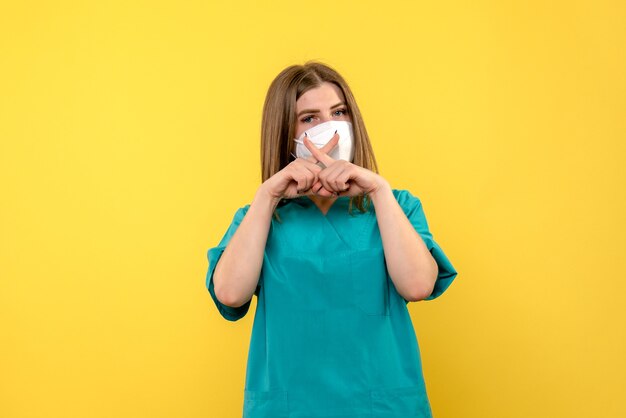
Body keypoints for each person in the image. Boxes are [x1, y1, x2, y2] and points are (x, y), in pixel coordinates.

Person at [205, 61, 458, 418]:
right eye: (309, 118)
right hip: (290, 407)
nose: (331, 127)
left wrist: (378, 189)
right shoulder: (262, 219)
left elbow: (418, 284)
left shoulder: (395, 206)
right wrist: (267, 196)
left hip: (381, 406)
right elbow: (230, 294)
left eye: (339, 112)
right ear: (285, 134)